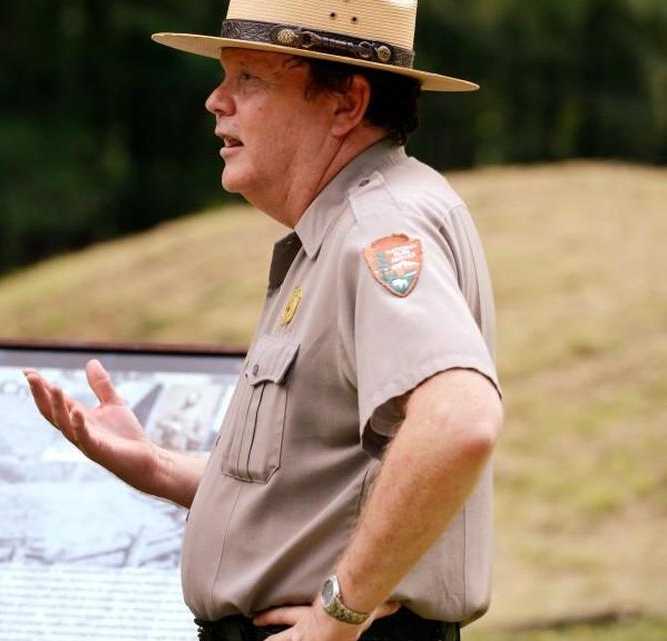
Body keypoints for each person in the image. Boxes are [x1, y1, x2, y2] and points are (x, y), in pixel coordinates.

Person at [25, 1, 502, 640]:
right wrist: (157, 466)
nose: (216, 101)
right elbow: (319, 485)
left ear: (346, 104)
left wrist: (336, 618)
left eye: (250, 79)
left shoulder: (378, 228)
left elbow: (459, 422)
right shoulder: (341, 226)